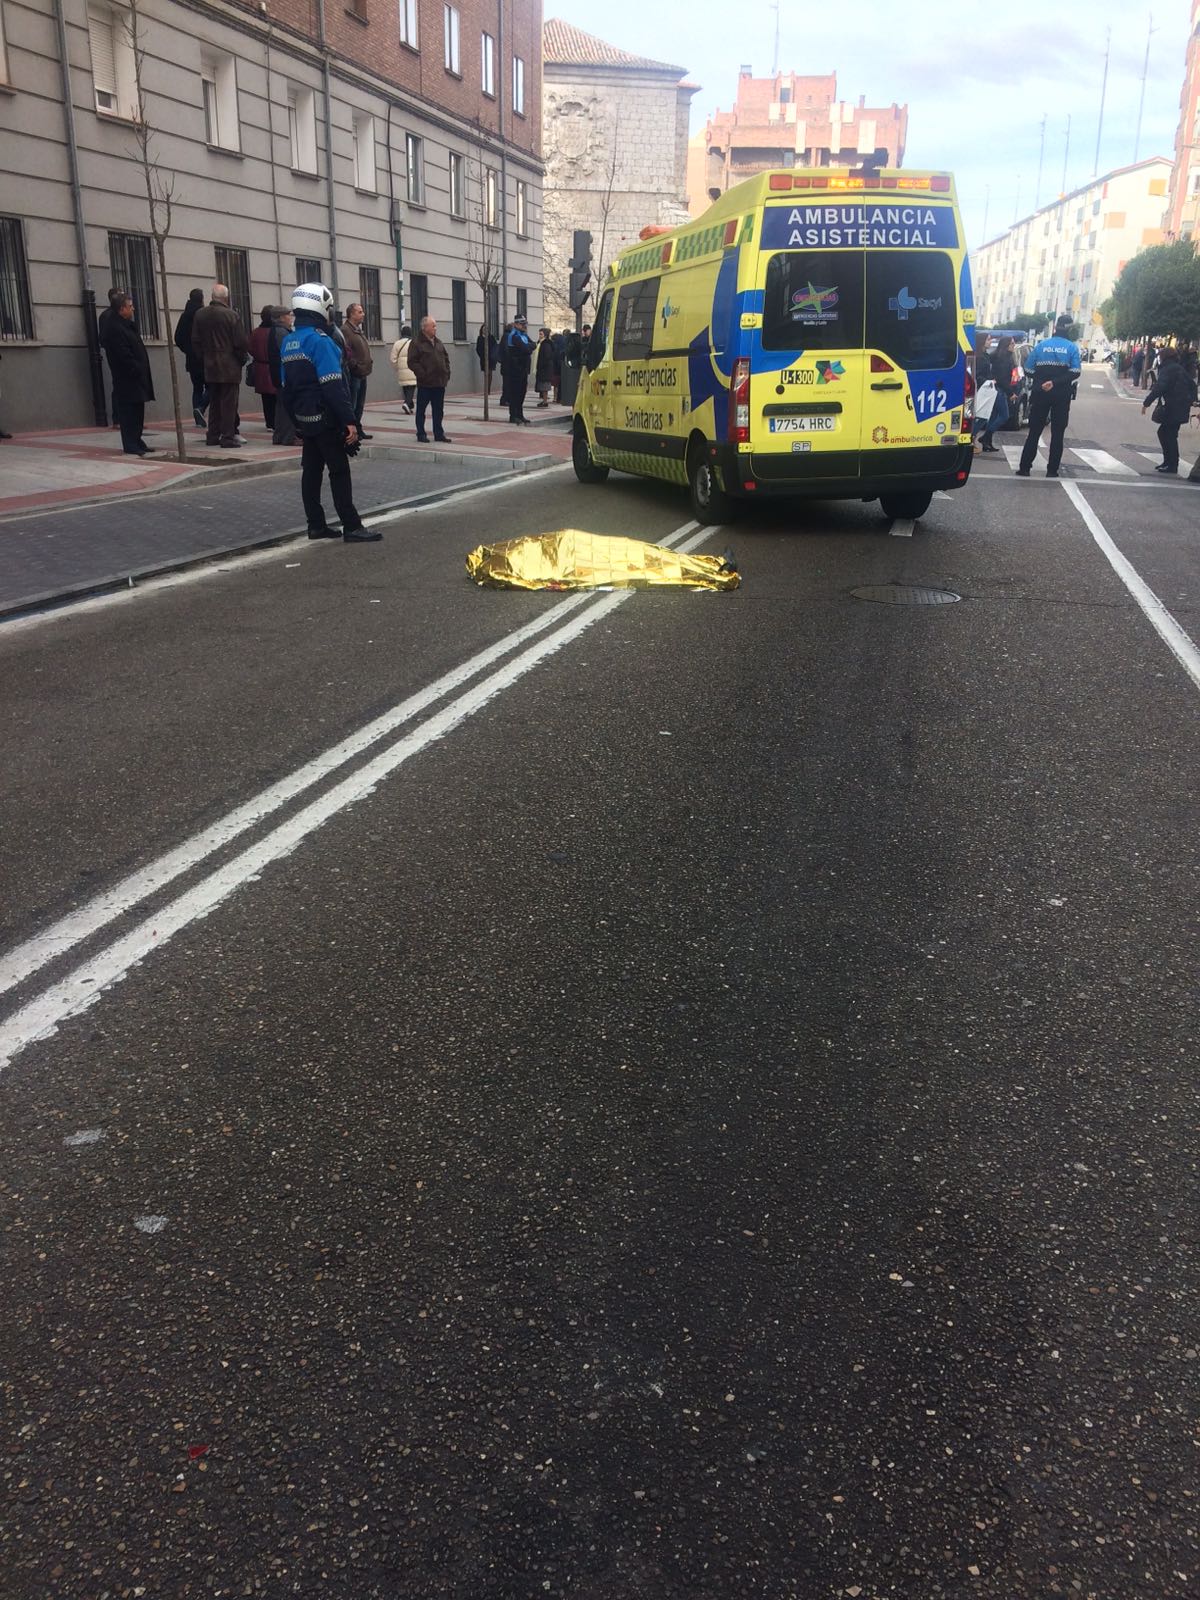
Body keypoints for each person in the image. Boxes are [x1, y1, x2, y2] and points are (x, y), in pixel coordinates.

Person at [279, 281, 377, 542]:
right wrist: (350, 421)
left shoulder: (289, 342)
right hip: (326, 418)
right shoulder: (319, 342)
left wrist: (297, 423)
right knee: (339, 471)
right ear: (319, 308)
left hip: (305, 418)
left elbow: (286, 389)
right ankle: (352, 526)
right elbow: (333, 385)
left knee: (311, 472)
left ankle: (316, 524)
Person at [1016, 313, 1081, 479]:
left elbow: (1028, 369)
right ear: (1069, 329)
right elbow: (1075, 371)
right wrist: (1056, 382)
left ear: (1055, 328)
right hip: (1061, 395)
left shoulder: (1041, 346)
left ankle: (1024, 468)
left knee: (1034, 431)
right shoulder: (1072, 348)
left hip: (1040, 393)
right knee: (1058, 433)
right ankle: (1052, 471)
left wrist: (1043, 381)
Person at [191, 283, 248, 448]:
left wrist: (203, 358)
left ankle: (212, 435)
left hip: (210, 365)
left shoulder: (200, 315)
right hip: (229, 366)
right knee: (229, 404)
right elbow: (241, 343)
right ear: (226, 298)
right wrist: (241, 359)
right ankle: (228, 437)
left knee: (214, 402)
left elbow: (195, 340)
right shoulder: (232, 315)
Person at [99, 292, 155, 456]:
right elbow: (123, 355)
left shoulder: (127, 324)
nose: (133, 309)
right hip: (127, 378)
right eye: (130, 306)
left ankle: (137, 440)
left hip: (136, 377)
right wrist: (136, 368)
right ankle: (130, 443)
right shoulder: (115, 328)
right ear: (122, 309)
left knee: (137, 410)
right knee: (129, 412)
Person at [1141, 346, 1197, 475]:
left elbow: (1159, 387)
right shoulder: (1178, 368)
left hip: (1173, 407)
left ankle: (1171, 465)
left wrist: (1147, 403)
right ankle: (1169, 463)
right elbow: (1192, 385)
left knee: (1167, 434)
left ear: (1164, 357)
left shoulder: (1168, 369)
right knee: (1168, 434)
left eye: (1160, 356)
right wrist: (1192, 400)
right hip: (1179, 407)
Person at [408, 314, 453, 443]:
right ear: (425, 327)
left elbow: (445, 358)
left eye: (435, 326)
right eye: (433, 326)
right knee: (421, 409)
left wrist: (447, 372)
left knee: (438, 410)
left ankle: (439, 433)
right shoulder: (416, 343)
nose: (435, 328)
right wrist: (423, 374)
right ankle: (421, 433)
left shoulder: (438, 342)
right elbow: (412, 362)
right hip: (425, 383)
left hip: (439, 382)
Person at [174, 287, 208, 427]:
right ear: (202, 299)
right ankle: (201, 408)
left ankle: (198, 417)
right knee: (212, 385)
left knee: (197, 387)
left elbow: (178, 338)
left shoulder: (185, 315)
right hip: (205, 357)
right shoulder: (203, 314)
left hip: (191, 358)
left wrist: (188, 350)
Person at [97, 285, 130, 428]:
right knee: (119, 385)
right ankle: (117, 419)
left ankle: (127, 418)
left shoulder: (122, 315)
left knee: (126, 386)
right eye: (121, 295)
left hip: (124, 353)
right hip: (116, 355)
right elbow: (104, 338)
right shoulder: (107, 316)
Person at [342, 301, 374, 440]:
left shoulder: (357, 330)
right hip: (354, 374)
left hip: (363, 373)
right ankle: (350, 430)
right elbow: (346, 353)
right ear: (351, 314)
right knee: (353, 403)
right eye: (360, 312)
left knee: (360, 404)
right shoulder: (345, 330)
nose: (363, 314)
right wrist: (355, 366)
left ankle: (358, 429)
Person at [266, 306, 298, 445]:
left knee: (281, 406)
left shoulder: (279, 330)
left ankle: (279, 436)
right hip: (283, 374)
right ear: (281, 317)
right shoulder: (281, 332)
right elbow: (287, 352)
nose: (291, 318)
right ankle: (288, 437)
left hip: (278, 373)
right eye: (288, 315)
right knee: (286, 407)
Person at [247, 305, 281, 432]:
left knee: (266, 398)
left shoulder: (255, 332)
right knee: (277, 397)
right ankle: (275, 422)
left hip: (260, 367)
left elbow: (250, 348)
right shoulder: (275, 332)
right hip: (273, 366)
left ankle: (269, 422)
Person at [984, 333, 1016, 451]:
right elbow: (1002, 378)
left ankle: (987, 443)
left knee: (993, 416)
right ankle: (986, 437)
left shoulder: (1002, 356)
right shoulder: (1003, 359)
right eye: (1012, 343)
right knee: (1004, 416)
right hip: (999, 390)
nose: (1014, 345)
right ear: (1006, 345)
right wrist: (1010, 393)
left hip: (996, 388)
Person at [504, 315, 535, 424]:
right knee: (515, 393)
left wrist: (528, 348)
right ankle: (513, 415)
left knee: (522, 392)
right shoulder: (514, 336)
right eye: (522, 324)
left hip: (523, 368)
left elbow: (533, 344)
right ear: (516, 324)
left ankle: (520, 414)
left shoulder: (523, 335)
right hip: (515, 368)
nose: (524, 326)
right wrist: (528, 348)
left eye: (525, 324)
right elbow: (525, 348)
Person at [389, 324, 416, 413]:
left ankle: (409, 405)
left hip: (401, 370)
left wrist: (398, 367)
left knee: (405, 386)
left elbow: (393, 359)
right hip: (412, 369)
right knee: (411, 386)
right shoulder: (413, 343)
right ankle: (407, 403)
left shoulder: (397, 343)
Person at [535, 327, 556, 407]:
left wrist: (541, 365)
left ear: (545, 335)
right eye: (539, 334)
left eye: (541, 334)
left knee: (544, 385)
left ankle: (545, 401)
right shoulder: (542, 343)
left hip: (545, 368)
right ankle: (544, 400)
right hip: (545, 368)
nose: (539, 336)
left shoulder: (546, 344)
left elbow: (546, 356)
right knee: (544, 385)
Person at [475, 324, 499, 393]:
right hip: (484, 359)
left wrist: (493, 355)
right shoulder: (480, 338)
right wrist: (482, 355)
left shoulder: (491, 337)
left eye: (486, 329)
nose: (485, 330)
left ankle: (488, 389)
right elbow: (478, 349)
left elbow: (495, 347)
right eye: (483, 329)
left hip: (491, 359)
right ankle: (486, 389)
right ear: (481, 330)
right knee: (486, 373)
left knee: (490, 373)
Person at [497, 320, 513, 411]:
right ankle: (505, 399)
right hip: (507, 365)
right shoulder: (507, 337)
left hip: (505, 365)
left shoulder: (505, 336)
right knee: (507, 383)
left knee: (507, 383)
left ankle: (506, 398)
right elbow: (507, 351)